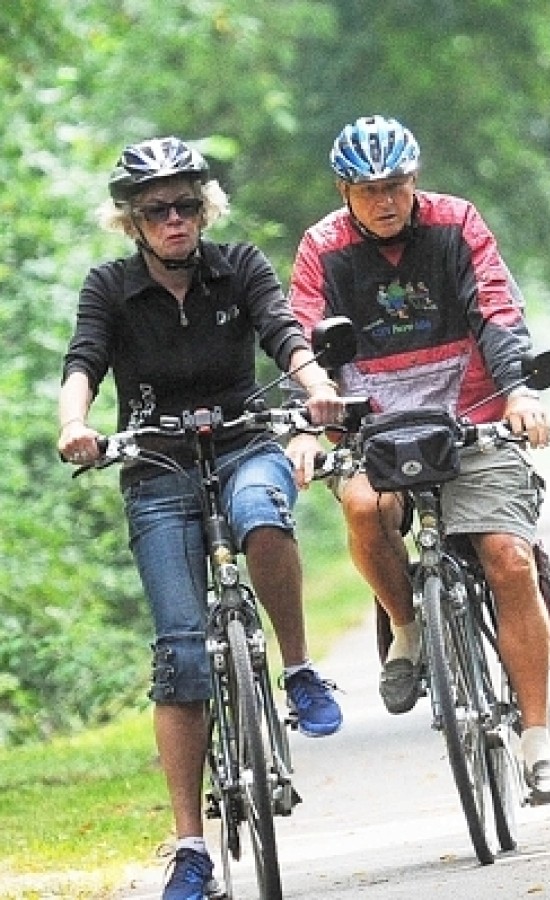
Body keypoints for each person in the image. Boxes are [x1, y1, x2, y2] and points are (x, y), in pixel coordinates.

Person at [57, 136, 345, 900]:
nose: (176, 219)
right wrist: (72, 425)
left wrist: (313, 384)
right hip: (156, 465)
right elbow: (82, 362)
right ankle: (191, 848)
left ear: (205, 207)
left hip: (243, 444)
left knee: (262, 512)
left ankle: (298, 669)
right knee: (182, 657)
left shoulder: (241, 266)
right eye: (158, 210)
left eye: (187, 204)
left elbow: (285, 333)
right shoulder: (109, 289)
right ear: (133, 220)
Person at [285, 115, 550, 804]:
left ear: (415, 181)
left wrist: (518, 394)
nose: (386, 201)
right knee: (361, 506)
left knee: (509, 558)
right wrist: (312, 409)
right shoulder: (321, 247)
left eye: (398, 185)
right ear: (343, 189)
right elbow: (299, 337)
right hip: (373, 427)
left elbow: (499, 312)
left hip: (469, 415)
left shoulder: (456, 224)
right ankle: (408, 630)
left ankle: (537, 745)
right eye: (369, 189)